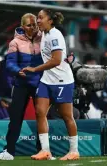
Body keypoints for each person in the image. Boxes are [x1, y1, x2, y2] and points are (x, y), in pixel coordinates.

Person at [22, 9, 80, 160]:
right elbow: (27, 31)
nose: (38, 21)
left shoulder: (55, 35)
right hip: (47, 80)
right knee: (40, 111)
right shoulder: (44, 33)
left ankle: (74, 151)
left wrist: (34, 69)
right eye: (37, 18)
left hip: (62, 81)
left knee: (67, 116)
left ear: (50, 21)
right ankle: (45, 151)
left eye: (41, 18)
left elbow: (56, 60)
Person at [0, 13, 43, 160]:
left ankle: (42, 150)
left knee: (42, 118)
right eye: (29, 25)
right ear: (22, 26)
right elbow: (9, 63)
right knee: (15, 119)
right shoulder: (14, 42)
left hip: (39, 84)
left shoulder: (44, 38)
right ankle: (9, 151)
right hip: (21, 84)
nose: (32, 27)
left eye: (34, 24)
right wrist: (17, 71)